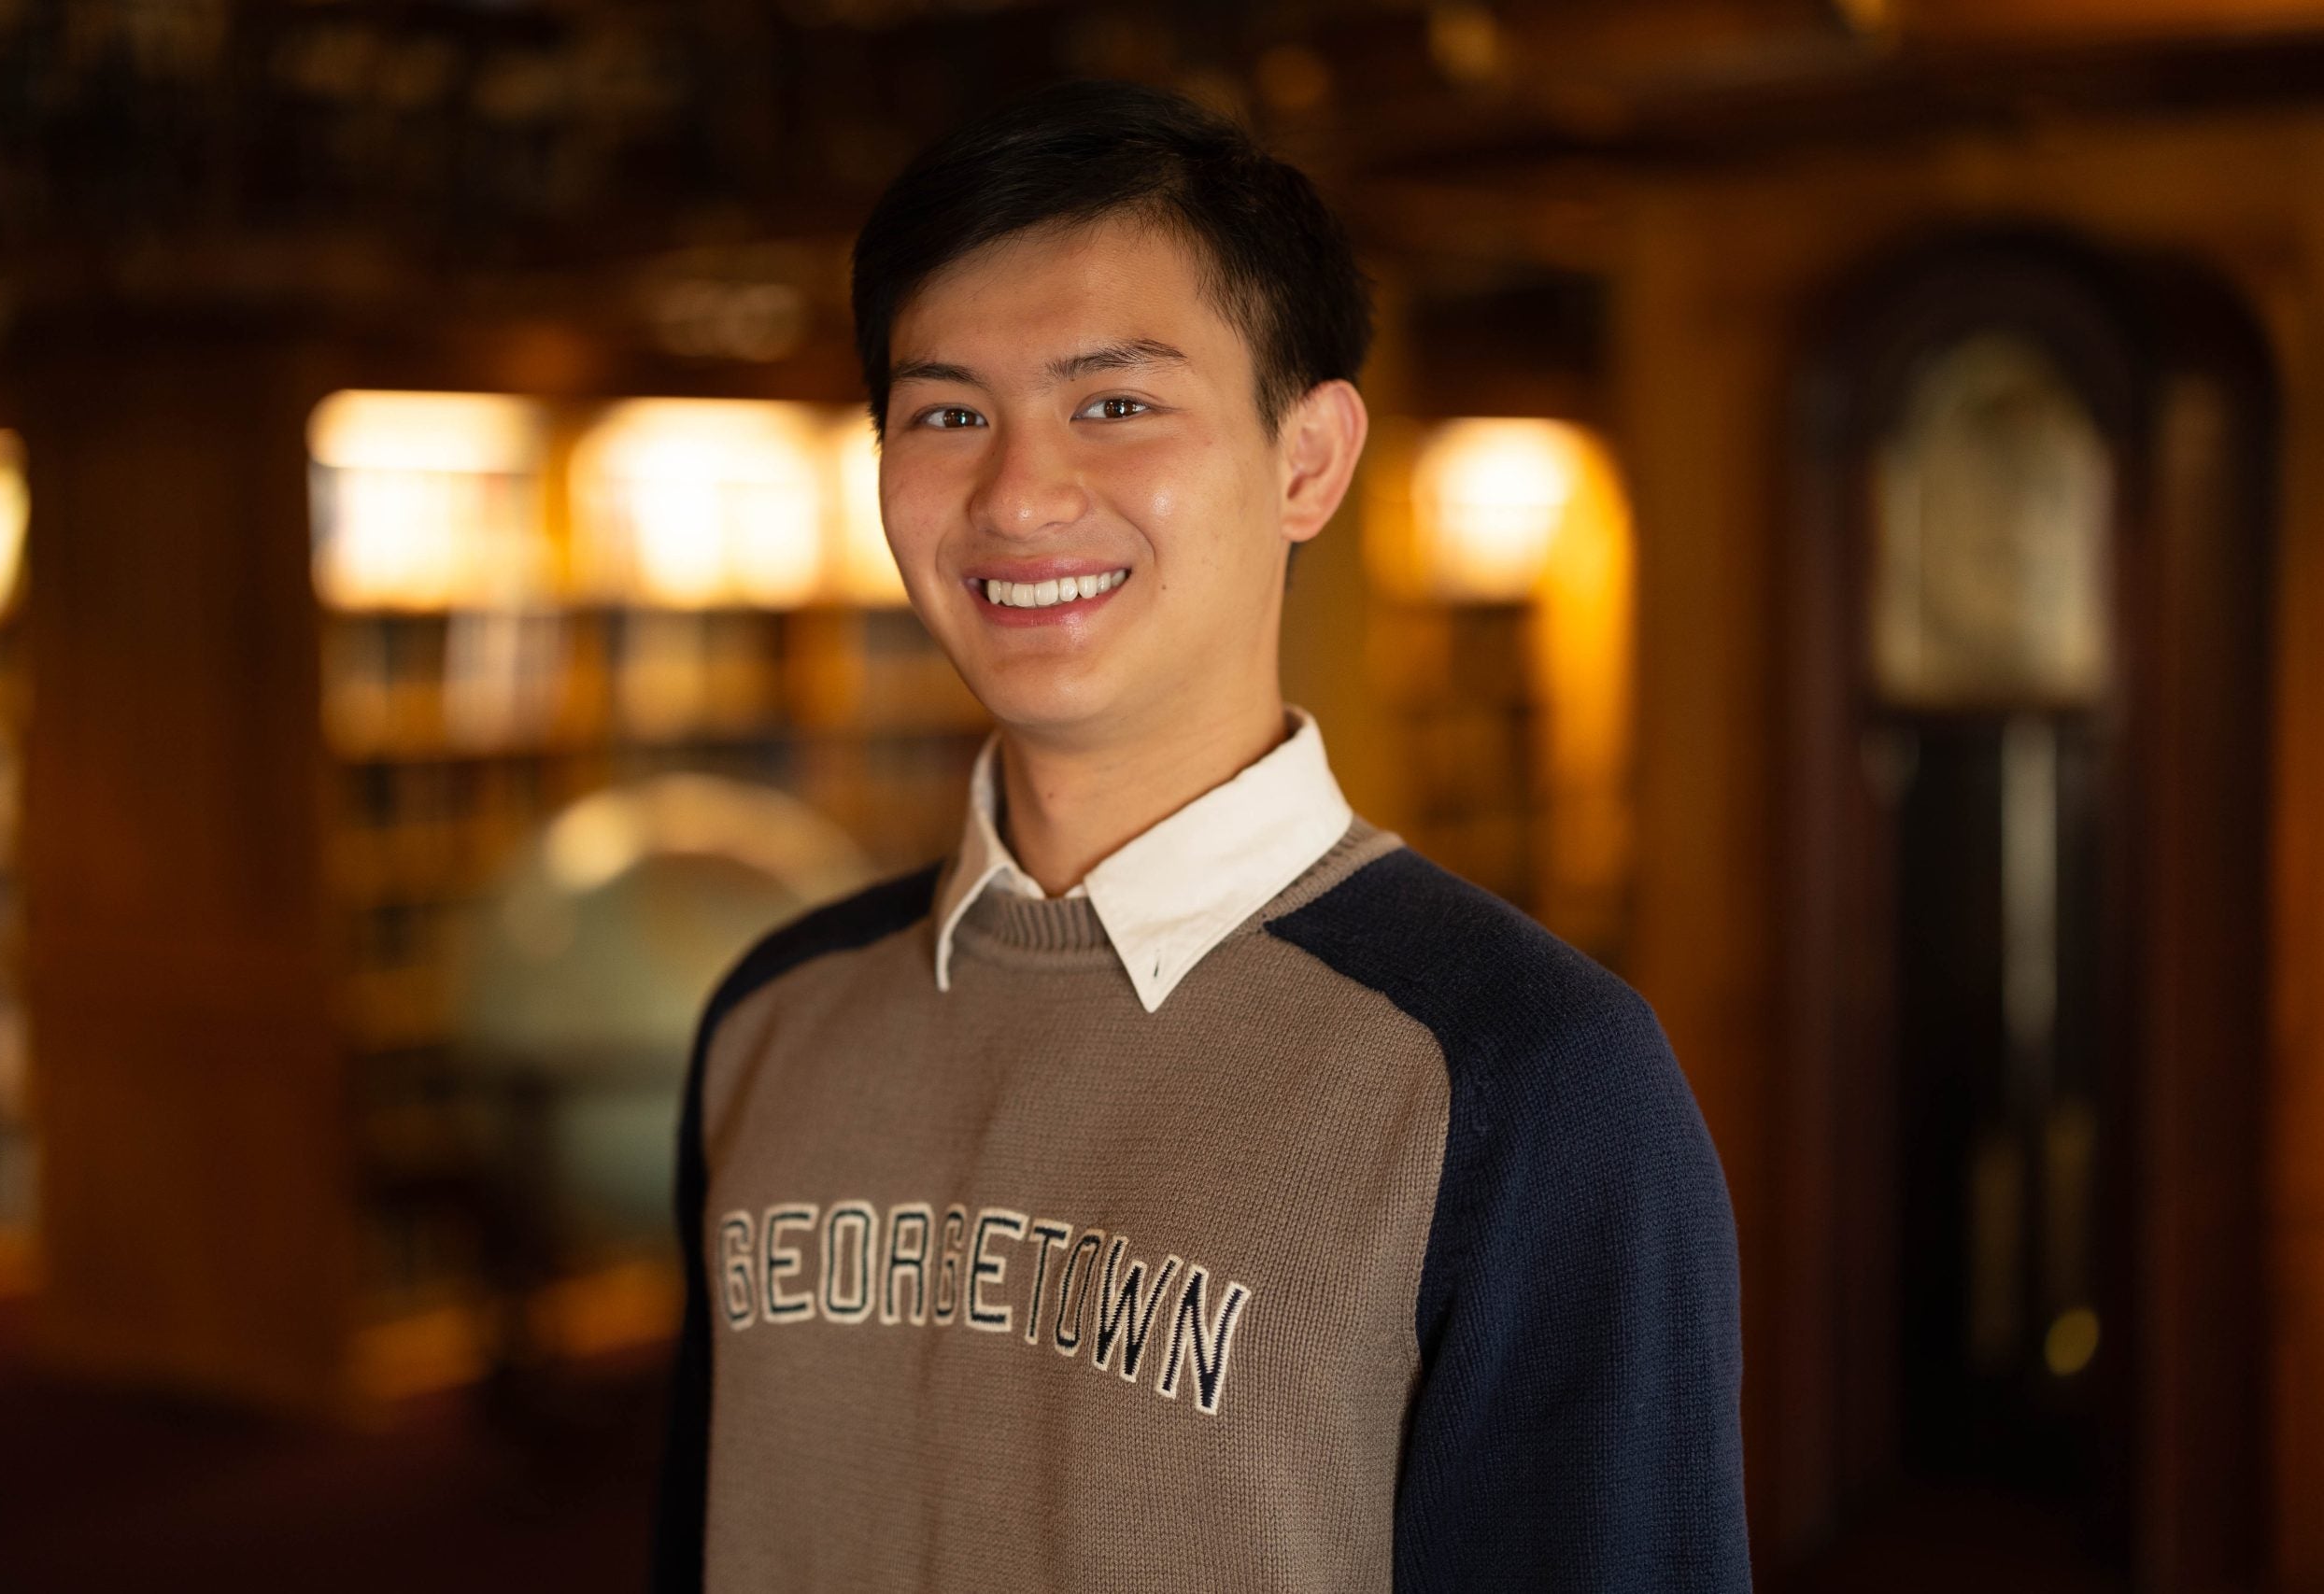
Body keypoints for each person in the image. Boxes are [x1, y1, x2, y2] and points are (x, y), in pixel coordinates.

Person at [651, 79, 1750, 1593]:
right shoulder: (772, 1018)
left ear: (1307, 461)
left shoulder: (1523, 1075)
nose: (1020, 495)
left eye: (1116, 404)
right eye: (948, 413)